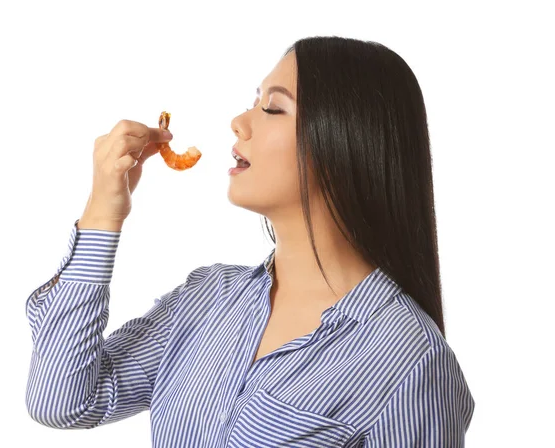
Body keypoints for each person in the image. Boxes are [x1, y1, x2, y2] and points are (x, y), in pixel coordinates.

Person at [25, 36, 475, 447]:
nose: (239, 122)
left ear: (345, 142)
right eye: (253, 102)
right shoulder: (205, 301)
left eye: (273, 108)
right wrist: (103, 212)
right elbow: (62, 401)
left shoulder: (412, 365)